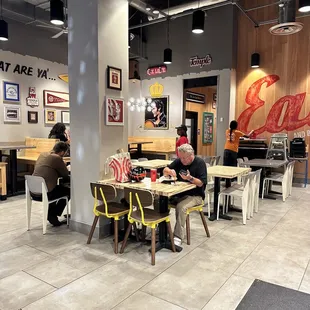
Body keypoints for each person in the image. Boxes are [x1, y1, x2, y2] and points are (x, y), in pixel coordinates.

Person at [163, 144, 207, 246]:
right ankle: (162, 230)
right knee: (159, 200)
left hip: (196, 196)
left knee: (181, 207)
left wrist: (190, 178)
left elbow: (201, 183)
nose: (182, 160)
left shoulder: (200, 163)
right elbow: (165, 170)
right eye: (180, 157)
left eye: (184, 158)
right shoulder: (179, 161)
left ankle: (178, 237)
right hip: (178, 194)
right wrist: (169, 171)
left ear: (191, 155)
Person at [31, 142, 70, 226]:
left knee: (56, 188)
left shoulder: (43, 154)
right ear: (62, 152)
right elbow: (65, 174)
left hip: (33, 192)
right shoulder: (57, 158)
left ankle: (52, 215)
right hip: (45, 193)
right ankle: (53, 214)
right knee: (68, 191)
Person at [223, 120, 253, 188]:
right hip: (233, 150)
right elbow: (247, 136)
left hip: (226, 149)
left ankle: (226, 181)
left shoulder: (227, 131)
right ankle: (231, 180)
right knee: (232, 166)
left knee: (226, 166)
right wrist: (251, 132)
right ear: (236, 126)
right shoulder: (237, 132)